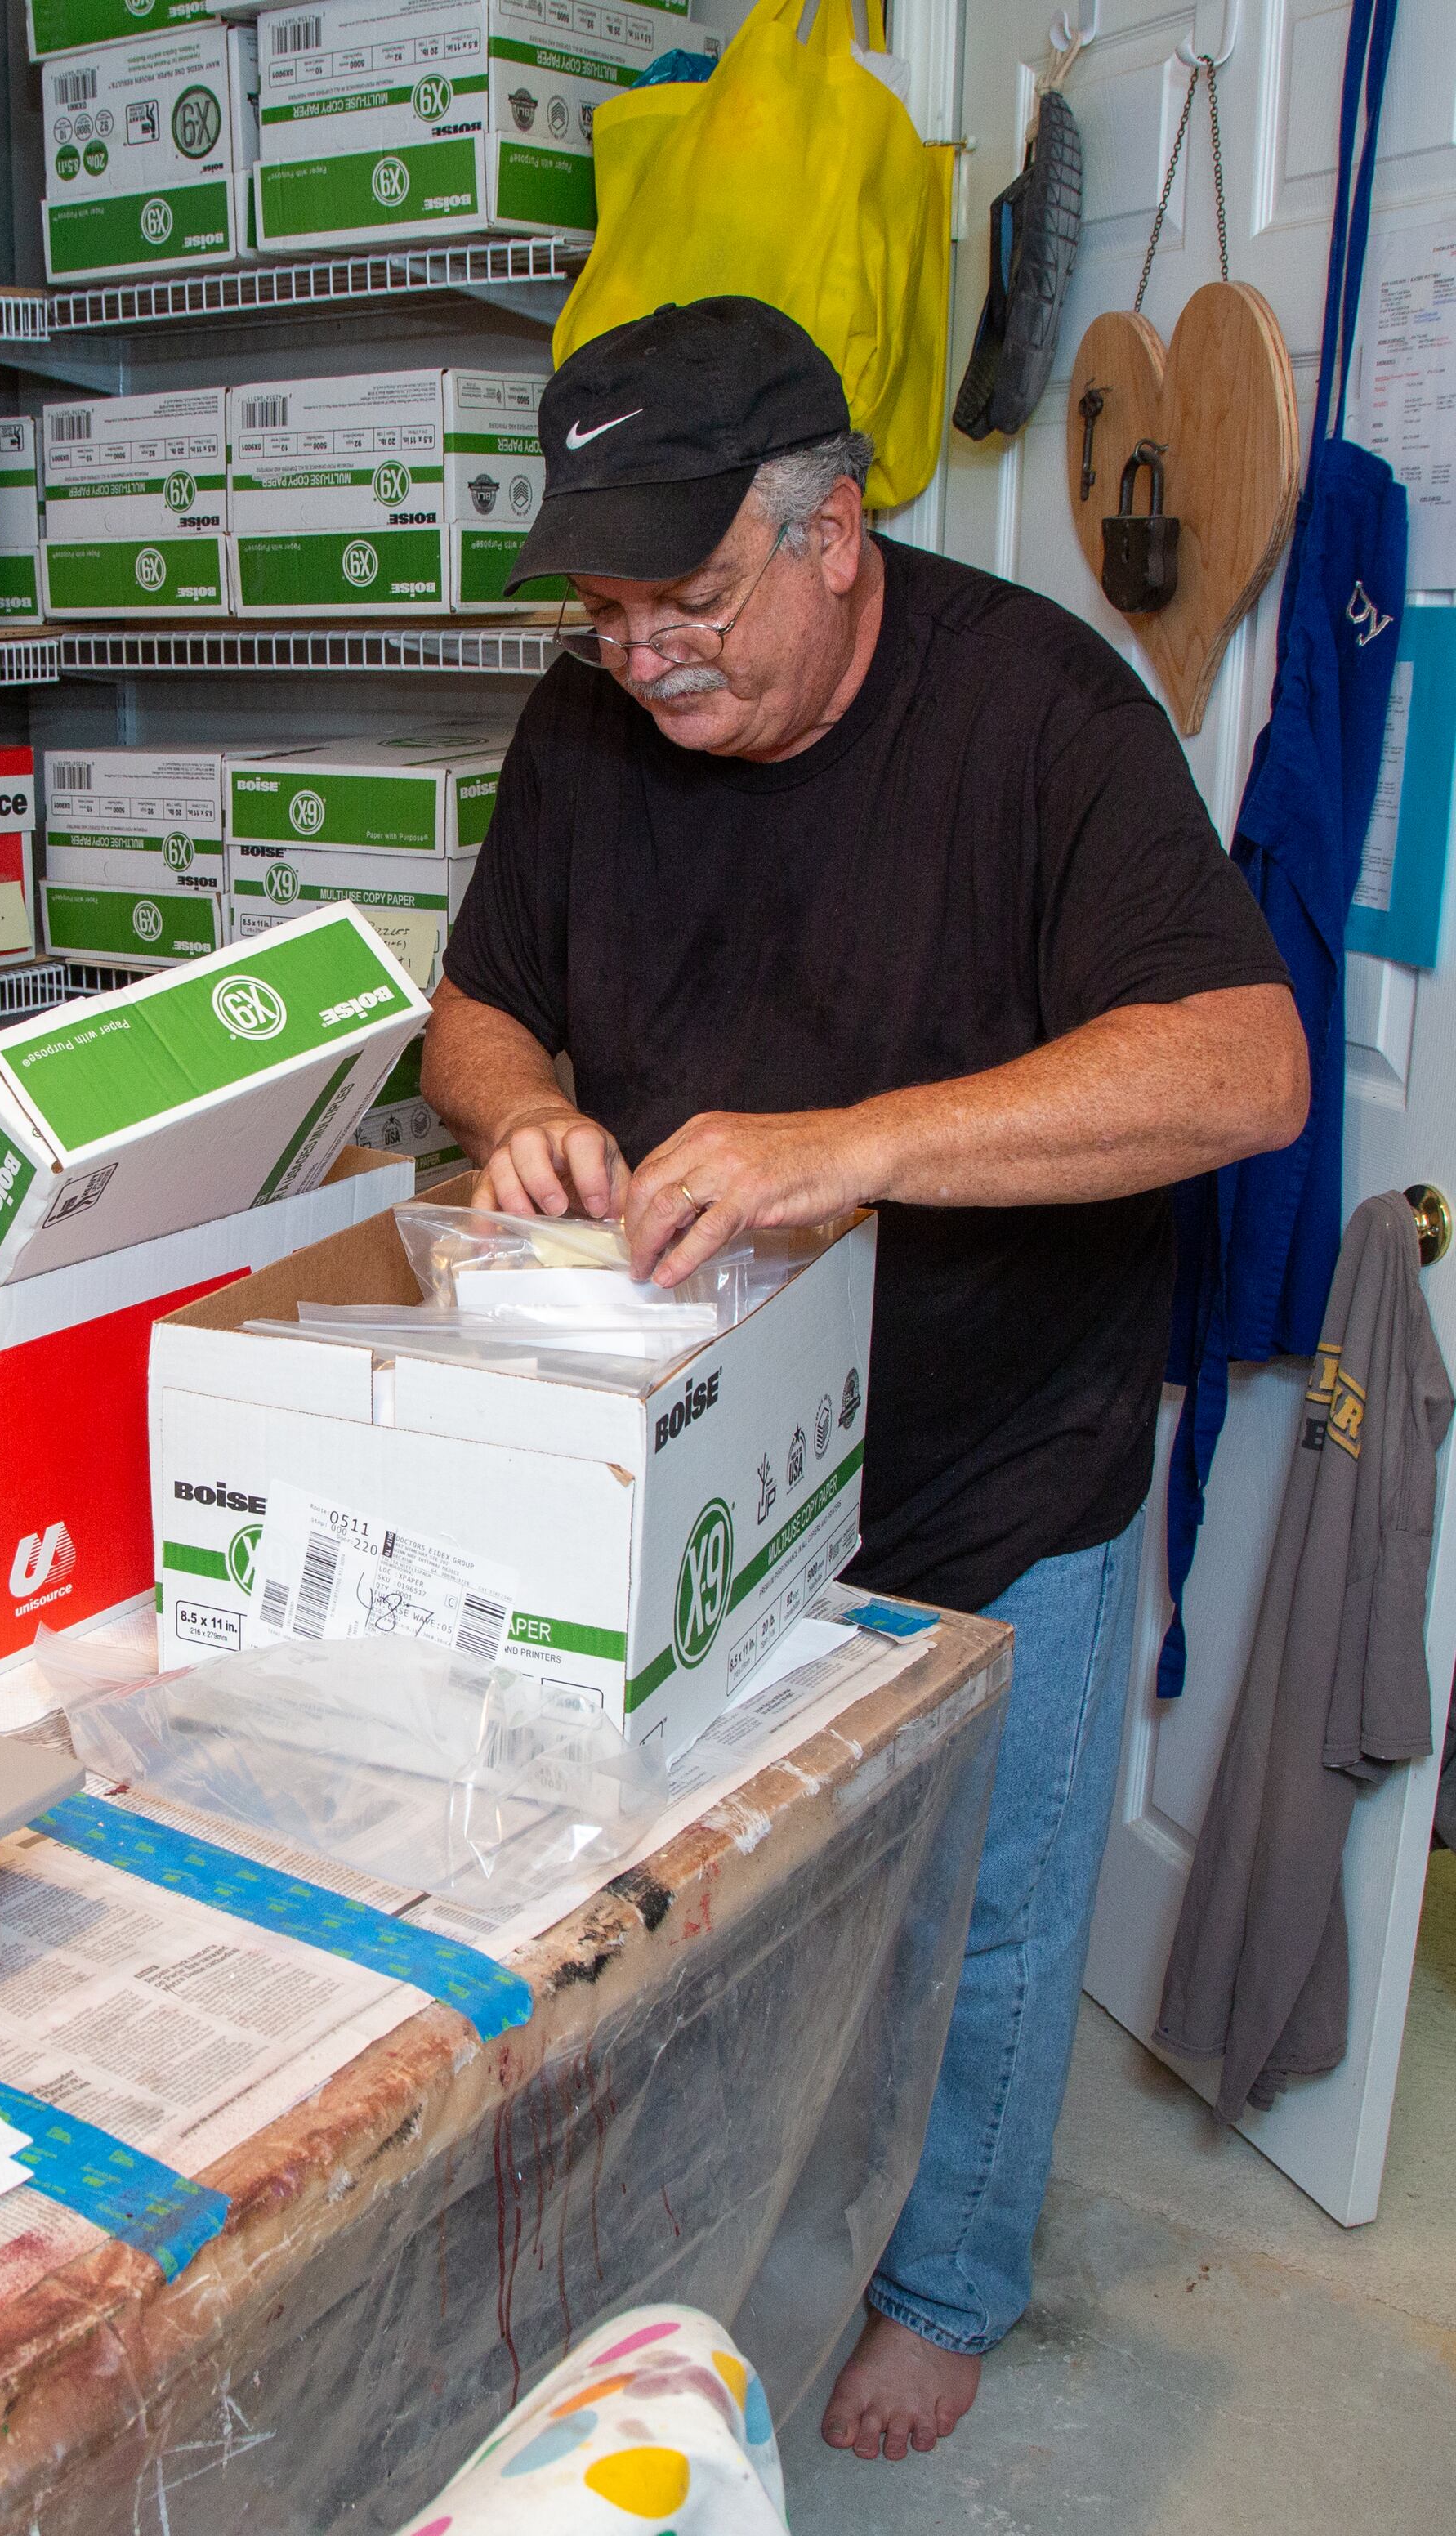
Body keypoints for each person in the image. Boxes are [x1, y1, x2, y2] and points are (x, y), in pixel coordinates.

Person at [426, 297, 1309, 2464]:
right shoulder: (589, 733)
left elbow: (1248, 1067)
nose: (644, 655)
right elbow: (469, 1011)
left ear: (835, 538)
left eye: (693, 599)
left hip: (991, 1458)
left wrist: (861, 1147)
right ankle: (721, 2219)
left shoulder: (1039, 717)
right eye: (609, 607)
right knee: (699, 1912)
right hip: (708, 1475)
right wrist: (520, 1108)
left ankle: (951, 2283)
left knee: (989, 1927)